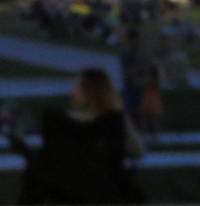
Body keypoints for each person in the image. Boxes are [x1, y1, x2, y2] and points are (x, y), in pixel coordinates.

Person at [16, 67, 144, 204]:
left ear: (88, 91)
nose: (73, 91)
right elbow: (136, 150)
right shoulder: (116, 122)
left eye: (77, 86)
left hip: (65, 194)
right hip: (104, 194)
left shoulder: (62, 124)